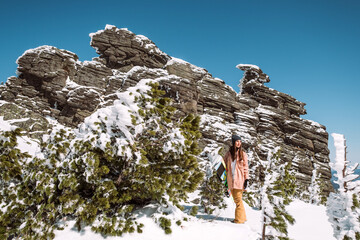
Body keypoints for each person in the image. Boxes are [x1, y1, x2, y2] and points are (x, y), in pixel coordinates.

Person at [223, 134, 249, 224]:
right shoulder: (229, 153)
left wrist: (246, 179)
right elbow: (223, 163)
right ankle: (243, 217)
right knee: (237, 200)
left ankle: (239, 220)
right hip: (231, 180)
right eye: (237, 141)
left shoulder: (243, 154)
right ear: (233, 142)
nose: (239, 143)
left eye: (240, 141)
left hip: (239, 180)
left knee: (238, 200)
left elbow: (246, 168)